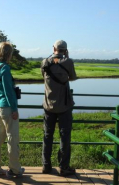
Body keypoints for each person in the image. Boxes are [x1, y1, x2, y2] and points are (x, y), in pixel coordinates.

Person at [0, 42, 24, 178]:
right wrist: (14, 109)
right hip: (8, 107)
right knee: (12, 138)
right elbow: (9, 91)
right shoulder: (5, 69)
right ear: (9, 54)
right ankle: (15, 169)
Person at [41, 40, 77, 176]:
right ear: (65, 50)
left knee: (47, 135)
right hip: (64, 106)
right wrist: (66, 58)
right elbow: (73, 77)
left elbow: (44, 77)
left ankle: (46, 165)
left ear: (53, 48)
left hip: (48, 105)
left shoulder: (44, 62)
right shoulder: (68, 62)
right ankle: (64, 167)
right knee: (64, 137)